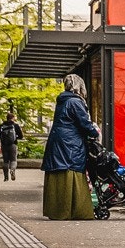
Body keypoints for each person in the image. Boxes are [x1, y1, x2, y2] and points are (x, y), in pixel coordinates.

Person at [41, 74, 99, 220]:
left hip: (58, 142)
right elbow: (84, 123)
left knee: (59, 171)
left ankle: (57, 210)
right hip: (70, 144)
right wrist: (94, 132)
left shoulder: (63, 100)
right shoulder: (75, 102)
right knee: (71, 169)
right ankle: (74, 210)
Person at [0, 111, 23, 181]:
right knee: (13, 160)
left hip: (4, 145)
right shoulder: (15, 125)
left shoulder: (1, 126)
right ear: (13, 118)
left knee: (5, 161)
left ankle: (6, 177)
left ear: (7, 118)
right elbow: (21, 136)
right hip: (13, 144)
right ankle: (12, 170)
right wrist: (16, 137)